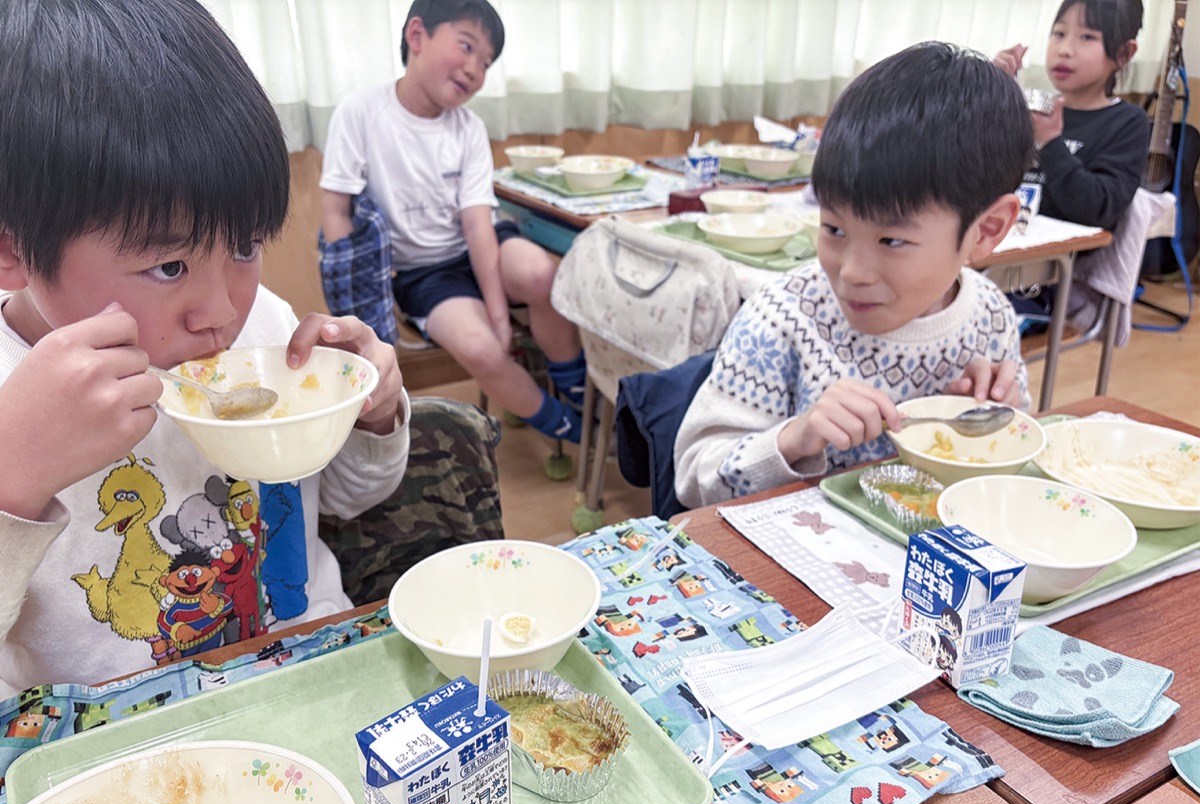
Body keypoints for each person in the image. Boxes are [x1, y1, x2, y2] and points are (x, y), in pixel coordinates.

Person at [0, 0, 411, 698]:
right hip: (121, 743)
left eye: (246, 246)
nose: (221, 313)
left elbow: (345, 497)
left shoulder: (266, 330)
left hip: (304, 661)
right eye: (168, 267)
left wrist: (371, 414)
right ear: (13, 252)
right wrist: (12, 480)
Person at [674, 42, 1033, 509]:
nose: (852, 272)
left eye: (892, 241)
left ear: (986, 230)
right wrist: (795, 439)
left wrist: (997, 410)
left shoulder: (990, 318)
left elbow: (1014, 450)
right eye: (834, 228)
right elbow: (693, 476)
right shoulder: (784, 318)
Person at [319, 0, 587, 442]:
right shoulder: (361, 111)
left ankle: (574, 384)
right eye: (466, 47)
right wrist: (357, 300)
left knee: (543, 274)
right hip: (422, 273)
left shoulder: (469, 129)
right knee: (482, 349)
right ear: (417, 35)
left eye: (485, 63)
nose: (475, 70)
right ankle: (569, 424)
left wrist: (501, 316)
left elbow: (478, 224)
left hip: (480, 244)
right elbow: (336, 210)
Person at [995, 0, 1149, 232]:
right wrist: (991, 91)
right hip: (1002, 240)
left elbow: (1097, 210)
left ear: (1124, 54)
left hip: (1059, 262)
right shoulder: (1031, 109)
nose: (1064, 49)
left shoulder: (1128, 122)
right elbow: (973, 177)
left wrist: (1050, 142)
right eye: (1059, 33)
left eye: (1087, 37)